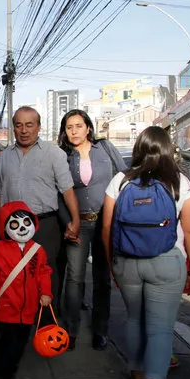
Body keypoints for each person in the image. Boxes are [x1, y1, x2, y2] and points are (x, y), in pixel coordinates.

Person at [101, 126, 190, 379]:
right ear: (169, 150)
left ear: (138, 149)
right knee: (160, 329)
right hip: (167, 262)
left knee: (134, 320)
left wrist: (112, 264)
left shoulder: (120, 181)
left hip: (127, 261)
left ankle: (135, 377)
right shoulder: (180, 183)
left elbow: (107, 229)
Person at [0, 106, 80, 321]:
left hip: (45, 226)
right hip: (11, 229)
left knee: (46, 275)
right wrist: (0, 226)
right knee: (11, 277)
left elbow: (67, 190)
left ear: (38, 127)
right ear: (13, 128)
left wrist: (75, 220)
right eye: (19, 125)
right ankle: (13, 329)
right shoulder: (3, 158)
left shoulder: (53, 154)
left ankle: (47, 325)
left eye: (29, 125)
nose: (24, 130)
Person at [57, 109, 126, 351]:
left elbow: (123, 179)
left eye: (78, 125)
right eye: (69, 127)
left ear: (88, 128)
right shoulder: (62, 156)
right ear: (64, 131)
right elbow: (59, 194)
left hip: (105, 224)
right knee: (74, 279)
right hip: (77, 225)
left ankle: (100, 330)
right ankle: (71, 330)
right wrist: (68, 222)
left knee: (102, 279)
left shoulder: (105, 149)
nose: (74, 130)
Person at [0, 201, 52, 379]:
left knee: (19, 347)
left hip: (29, 310)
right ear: (5, 227)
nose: (22, 227)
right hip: (7, 308)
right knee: (8, 346)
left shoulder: (38, 250)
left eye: (26, 221)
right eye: (15, 224)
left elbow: (43, 272)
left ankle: (9, 373)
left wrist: (46, 292)